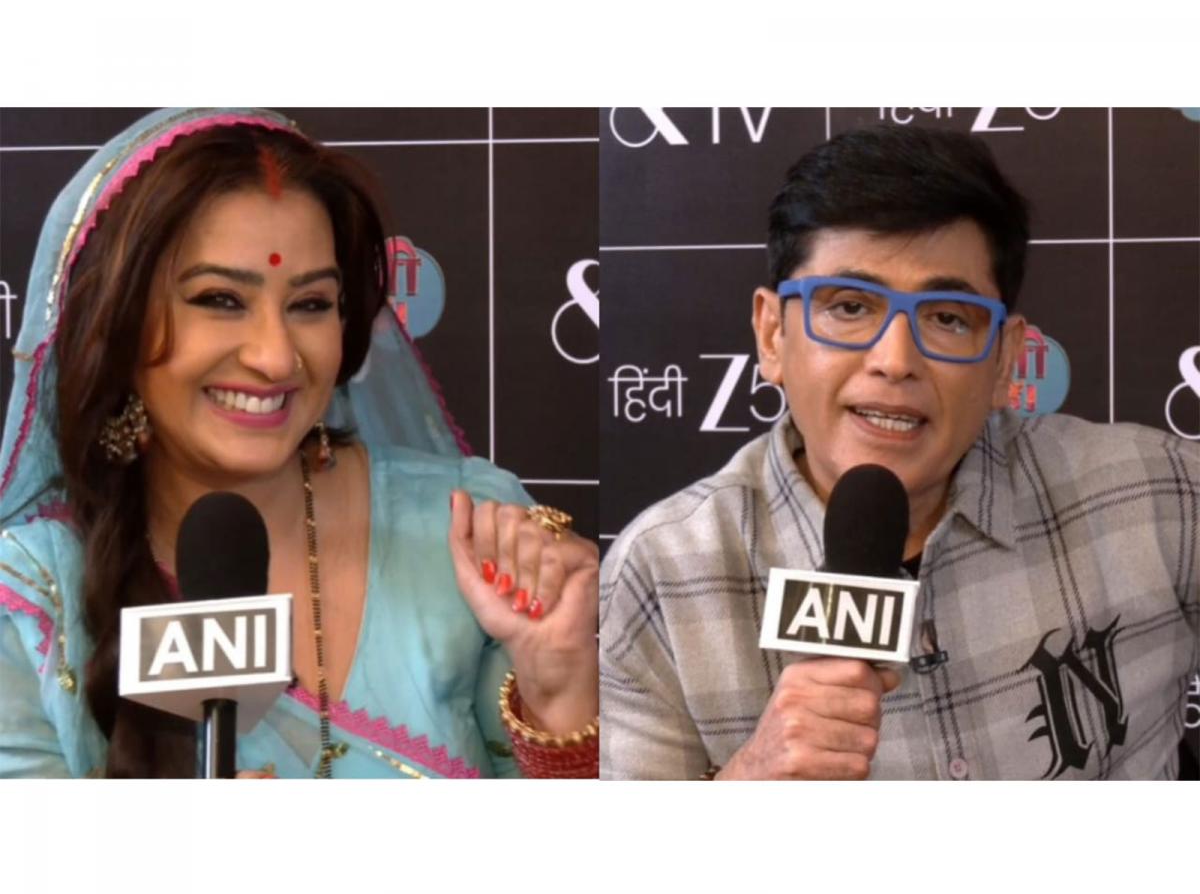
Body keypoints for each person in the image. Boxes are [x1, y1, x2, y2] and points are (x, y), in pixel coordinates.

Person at [0, 108, 599, 778]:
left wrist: (558, 698)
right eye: (220, 300)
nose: (276, 358)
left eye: (310, 304)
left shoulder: (466, 531)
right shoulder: (33, 598)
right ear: (118, 322)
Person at [599, 125, 1200, 780]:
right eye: (849, 306)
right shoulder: (661, 573)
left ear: (1005, 359)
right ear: (772, 335)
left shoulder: (1159, 494)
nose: (894, 360)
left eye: (947, 318)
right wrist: (749, 783)